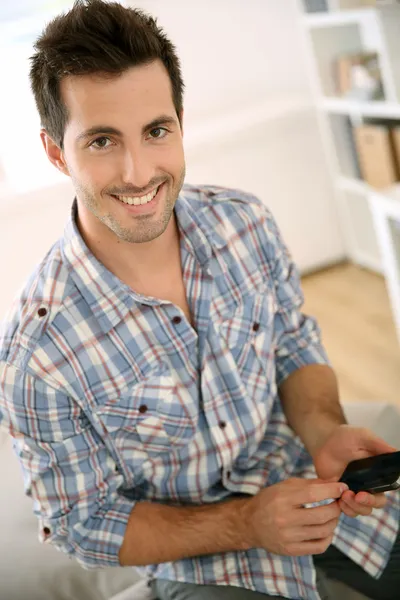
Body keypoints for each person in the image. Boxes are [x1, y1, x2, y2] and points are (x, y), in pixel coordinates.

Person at [0, 1, 398, 599]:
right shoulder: (37, 357)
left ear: (180, 122)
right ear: (57, 151)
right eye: (103, 140)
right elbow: (80, 523)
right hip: (204, 562)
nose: (138, 173)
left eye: (156, 131)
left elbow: (292, 343)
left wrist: (324, 432)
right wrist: (246, 523)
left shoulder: (245, 222)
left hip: (311, 487)